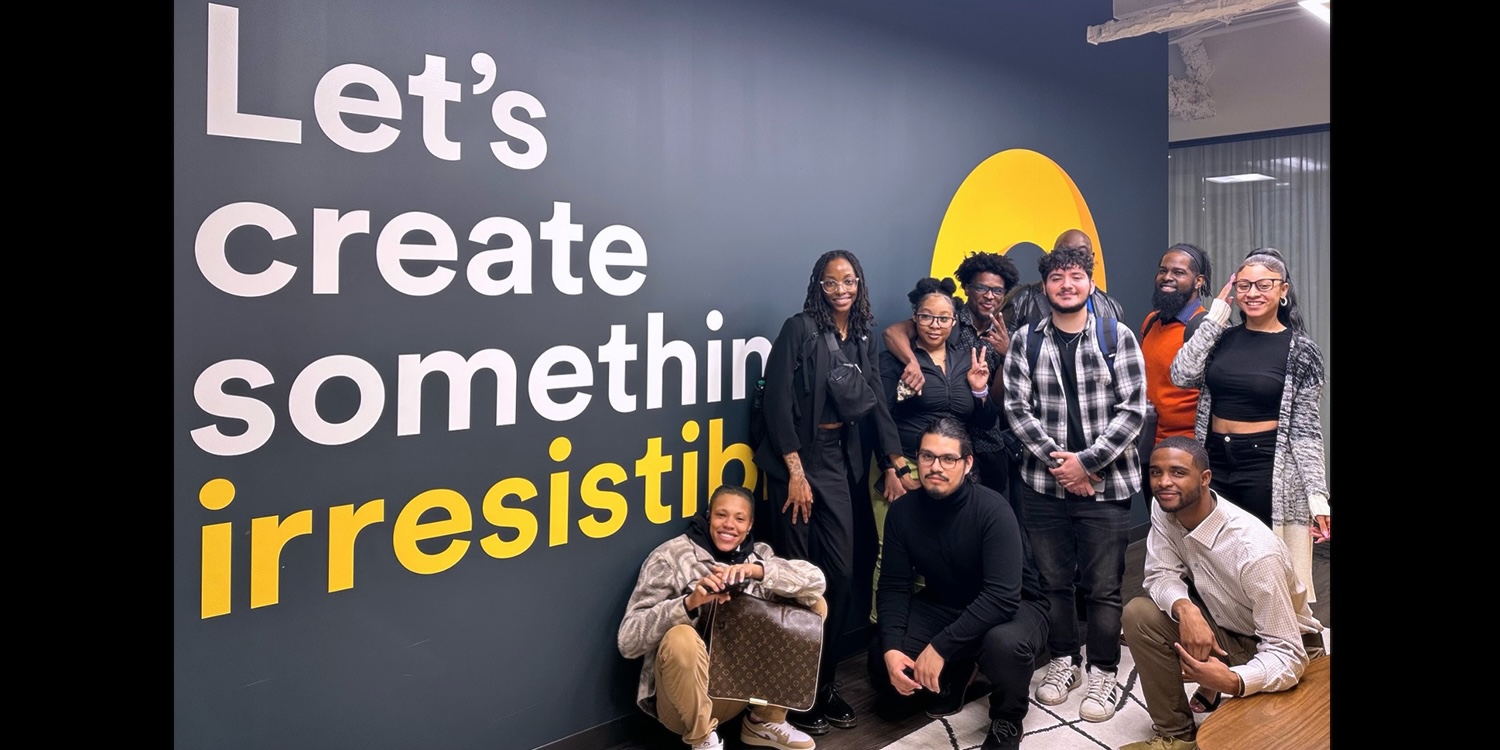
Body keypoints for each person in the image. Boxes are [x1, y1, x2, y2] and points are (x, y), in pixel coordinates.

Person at [753, 249, 907, 734]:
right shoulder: (798, 329)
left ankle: (823, 685)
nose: (841, 289)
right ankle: (791, 699)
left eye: (849, 280)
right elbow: (775, 403)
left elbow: (878, 403)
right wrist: (795, 471)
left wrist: (892, 463)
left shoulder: (860, 334)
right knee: (797, 579)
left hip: (840, 461)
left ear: (859, 283)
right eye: (831, 282)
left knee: (840, 577)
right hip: (794, 462)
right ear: (817, 285)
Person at [1001, 243, 1146, 724]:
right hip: (1043, 487)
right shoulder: (1026, 340)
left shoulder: (1116, 335)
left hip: (1108, 485)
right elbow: (1017, 411)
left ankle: (1104, 668)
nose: (1067, 285)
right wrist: (1060, 464)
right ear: (1045, 287)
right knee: (1054, 583)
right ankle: (1064, 660)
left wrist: (1086, 464)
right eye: (1058, 277)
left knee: (1103, 587)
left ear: (1090, 283)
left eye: (1076, 276)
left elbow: (1132, 412)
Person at [1119, 437, 1326, 750]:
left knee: (1253, 740)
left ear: (1205, 479)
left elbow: (1288, 653)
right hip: (1228, 627)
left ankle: (1224, 689)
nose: (1163, 483)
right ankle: (1176, 735)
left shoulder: (1254, 552)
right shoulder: (1165, 506)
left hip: (1291, 651)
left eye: (1177, 473)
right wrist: (1185, 609)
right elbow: (1160, 573)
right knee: (1138, 614)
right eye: (1155, 473)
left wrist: (1232, 681)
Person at [871, 417, 1049, 750]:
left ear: (967, 464)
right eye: (927, 457)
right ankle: (959, 674)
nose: (935, 467)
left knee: (1003, 646)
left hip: (1016, 606)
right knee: (882, 666)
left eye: (948, 459)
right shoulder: (903, 512)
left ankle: (1008, 719)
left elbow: (1001, 597)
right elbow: (895, 585)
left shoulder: (993, 510)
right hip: (945, 602)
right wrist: (893, 647)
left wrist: (940, 647)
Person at [1169, 247, 1329, 601]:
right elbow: (1181, 374)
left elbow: (1306, 432)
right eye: (1243, 286)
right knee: (1213, 556)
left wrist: (1317, 497)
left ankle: (1270, 645)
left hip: (1266, 466)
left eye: (1263, 285)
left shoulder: (1301, 351)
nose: (1252, 294)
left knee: (1263, 561)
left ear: (1283, 290)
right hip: (1214, 463)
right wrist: (1215, 317)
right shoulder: (1221, 338)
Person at [617, 485, 827, 750]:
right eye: (721, 515)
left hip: (739, 691)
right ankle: (703, 738)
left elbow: (815, 583)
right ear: (708, 517)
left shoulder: (758, 555)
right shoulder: (671, 557)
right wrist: (689, 603)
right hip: (683, 704)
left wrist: (756, 571)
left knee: (812, 605)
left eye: (739, 519)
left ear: (749, 525)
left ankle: (765, 720)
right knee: (680, 637)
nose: (729, 525)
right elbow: (628, 641)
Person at [881, 253, 1022, 512]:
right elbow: (893, 332)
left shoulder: (1006, 334)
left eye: (997, 290)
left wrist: (1006, 357)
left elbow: (997, 403)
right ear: (967, 288)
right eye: (982, 287)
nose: (989, 295)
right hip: (938, 448)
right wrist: (912, 361)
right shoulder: (946, 316)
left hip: (985, 443)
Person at [879, 276, 1000, 483]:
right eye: (927, 317)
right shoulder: (897, 361)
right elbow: (880, 419)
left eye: (944, 319)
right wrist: (891, 468)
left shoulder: (966, 361)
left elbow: (986, 423)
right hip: (907, 465)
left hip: (954, 469)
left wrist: (980, 391)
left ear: (953, 322)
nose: (935, 325)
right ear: (914, 318)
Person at [1140, 244, 1212, 446]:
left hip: (1186, 447)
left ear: (1198, 281)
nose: (1167, 277)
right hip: (1146, 443)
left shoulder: (1205, 328)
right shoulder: (1151, 322)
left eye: (1178, 272)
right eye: (1163, 271)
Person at [1000, 229, 1125, 337]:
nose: (1071, 260)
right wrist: (1009, 352)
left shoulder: (1111, 307)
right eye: (1064, 253)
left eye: (1080, 253)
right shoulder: (1021, 300)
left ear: (1091, 258)